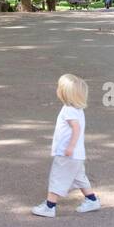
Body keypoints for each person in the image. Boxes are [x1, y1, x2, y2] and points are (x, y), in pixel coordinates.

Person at [32, 74, 100, 217]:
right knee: (79, 177)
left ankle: (49, 207)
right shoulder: (77, 108)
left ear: (64, 93)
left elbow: (76, 129)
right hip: (77, 155)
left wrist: (70, 147)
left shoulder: (69, 109)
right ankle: (92, 200)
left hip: (68, 154)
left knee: (57, 177)